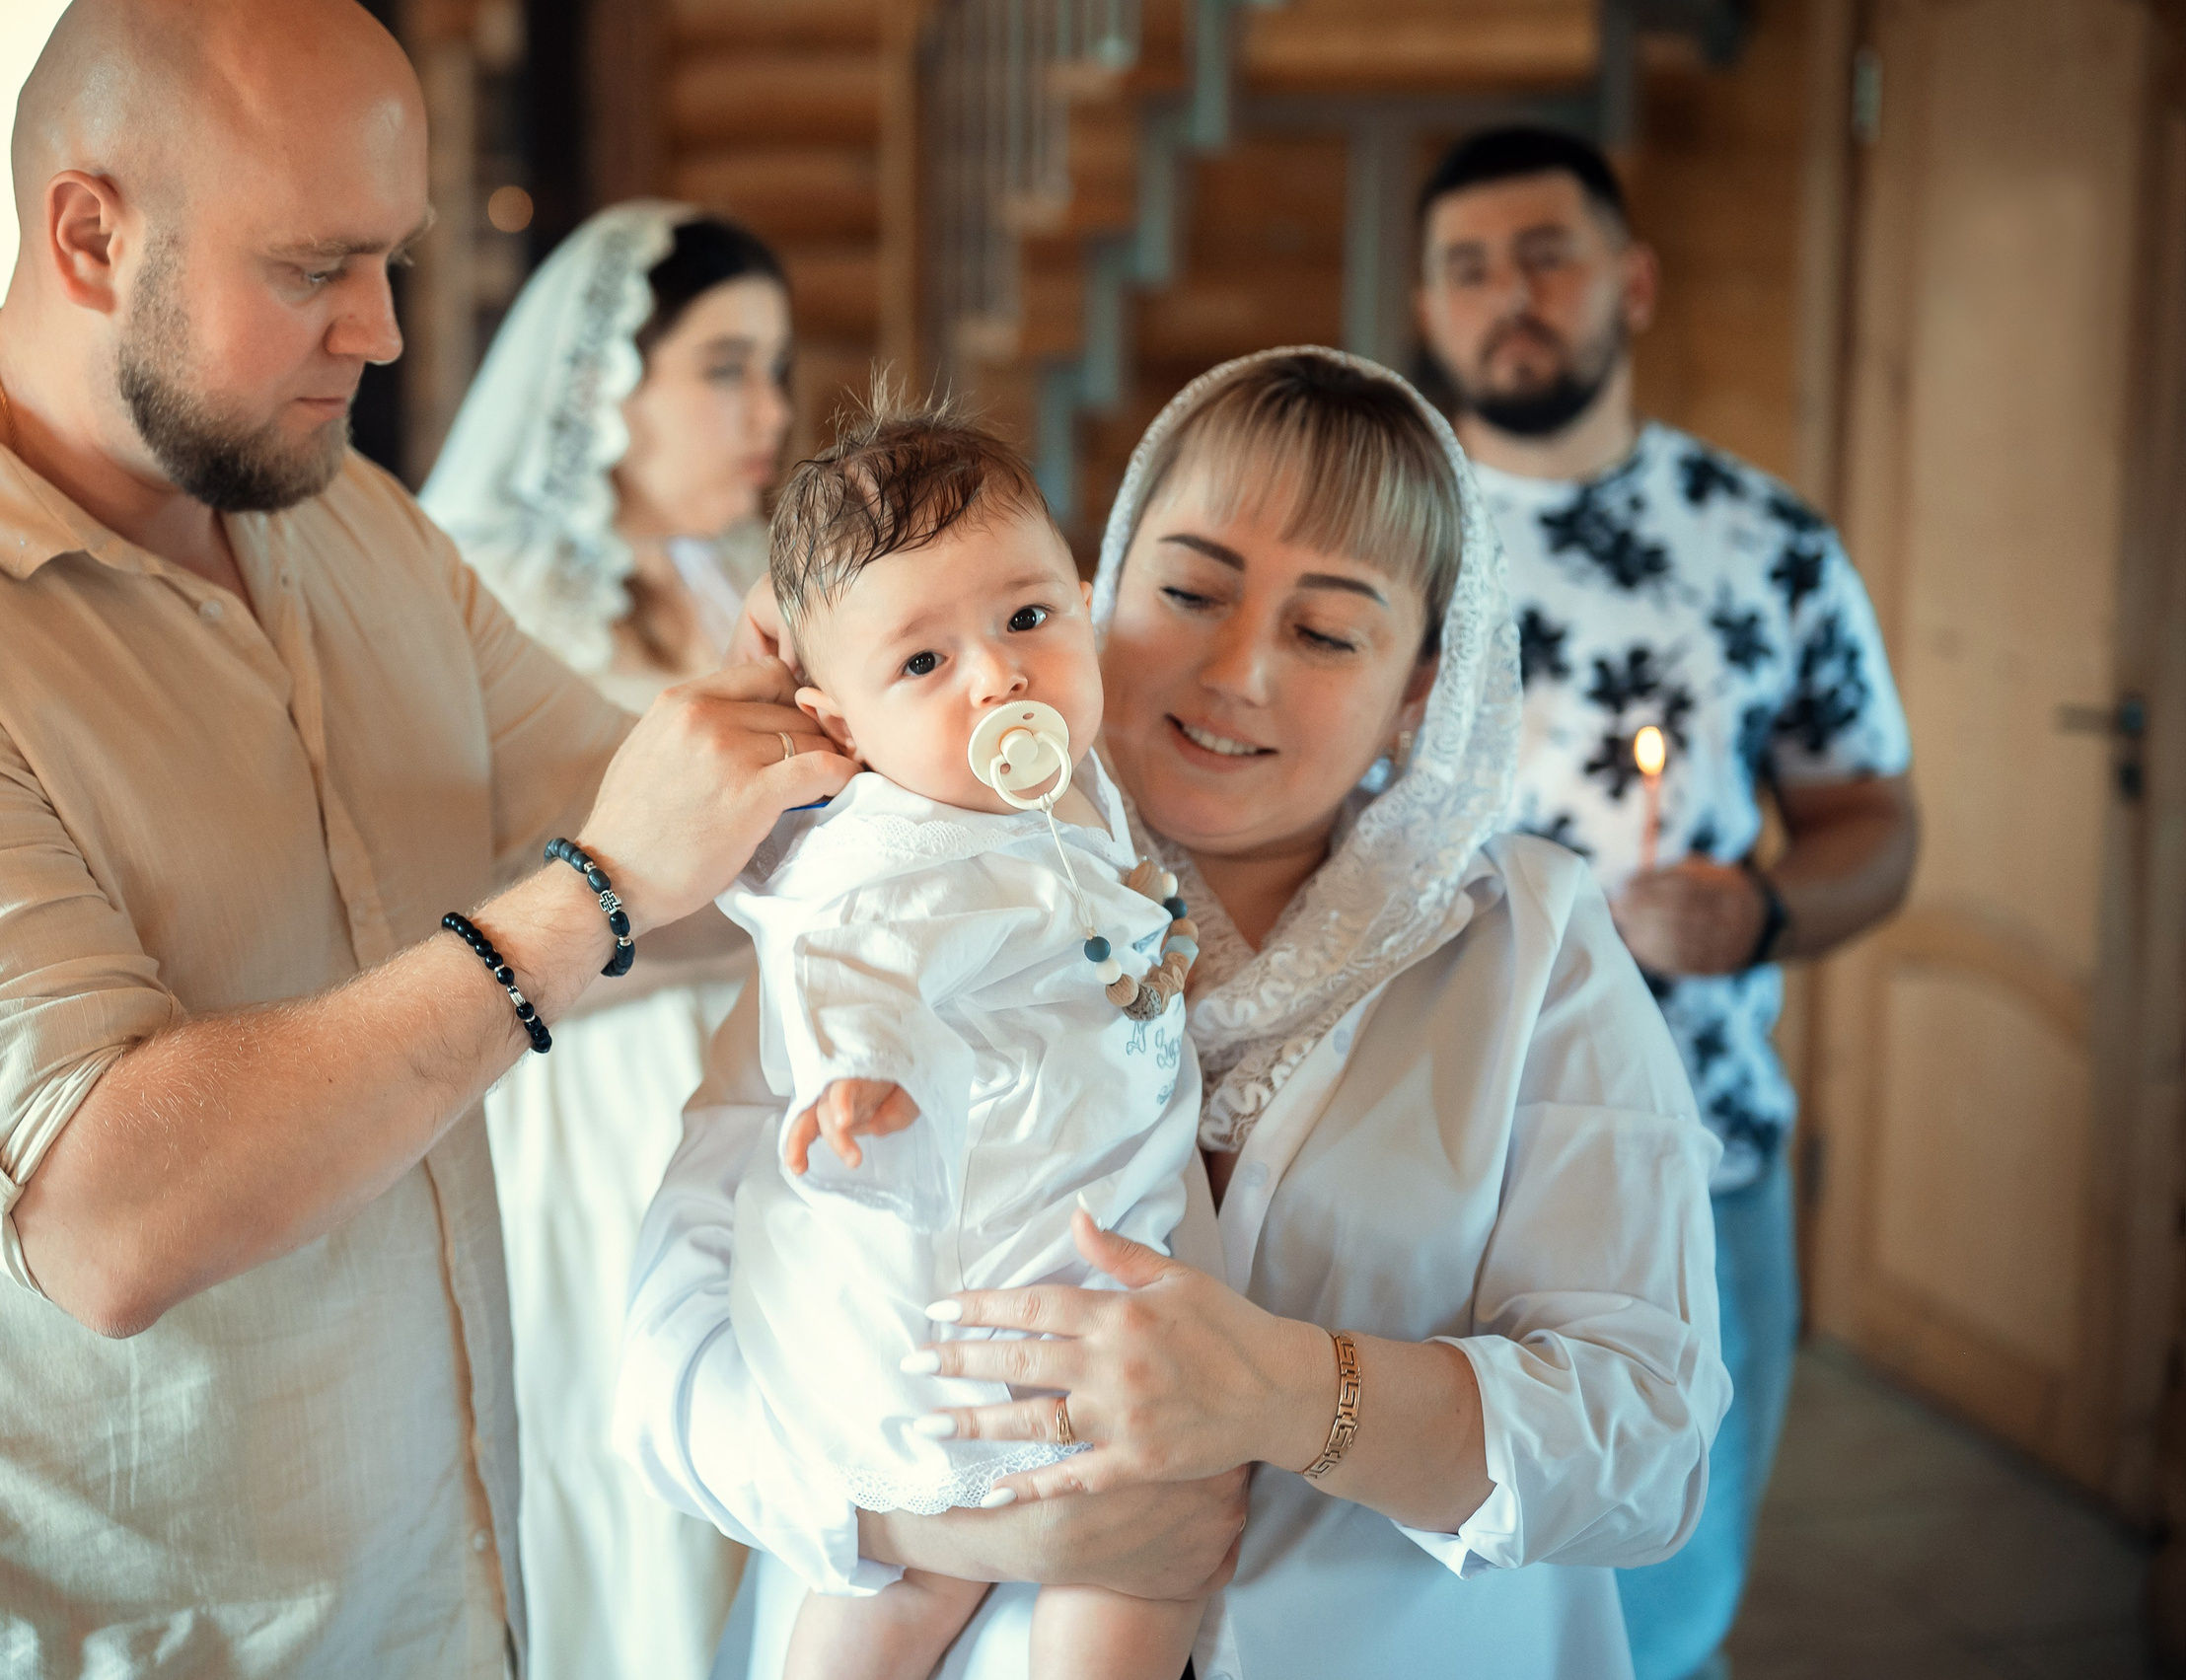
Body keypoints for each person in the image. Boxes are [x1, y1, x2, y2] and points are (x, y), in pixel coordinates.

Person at [0, 3, 850, 1674]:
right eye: (312, 268)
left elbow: (700, 850)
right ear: (91, 236)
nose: (380, 330)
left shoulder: (350, 523)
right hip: (67, 1642)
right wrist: (593, 895)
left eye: (392, 261)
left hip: (429, 1603)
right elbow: (108, 1214)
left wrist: (928, 720)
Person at [617, 347, 1734, 1678]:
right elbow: (666, 1374)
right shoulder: (906, 884)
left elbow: (1648, 1446)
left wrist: (1294, 1396)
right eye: (1190, 592)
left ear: (1417, 689)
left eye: (1328, 633)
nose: (1237, 670)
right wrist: (955, 1530)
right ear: (1103, 589)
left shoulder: (1527, 944)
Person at [1410, 126, 1919, 1680]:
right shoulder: (1372, 530)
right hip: (1410, 1147)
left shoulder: (1768, 546)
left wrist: (1760, 910)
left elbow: (1875, 819)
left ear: (1630, 282)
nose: (1510, 296)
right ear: (1427, 310)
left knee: (1664, 1602)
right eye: (1468, 269)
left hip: (1690, 1150)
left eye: (1545, 256)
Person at [724, 399, 1210, 1680]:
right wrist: (865, 1074)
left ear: (1086, 605)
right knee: (960, 1566)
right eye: (923, 664)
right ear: (841, 727)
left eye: (1027, 618)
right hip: (985, 1283)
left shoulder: (1073, 783)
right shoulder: (897, 851)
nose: (998, 677)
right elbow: (851, 962)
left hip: (1092, 1234)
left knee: (1144, 1552)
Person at [418, 201, 791, 1680]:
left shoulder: (738, 583)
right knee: (630, 1479)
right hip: (591, 1098)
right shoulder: (488, 595)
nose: (769, 413)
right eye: (724, 368)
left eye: (776, 370)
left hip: (764, 1075)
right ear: (602, 384)